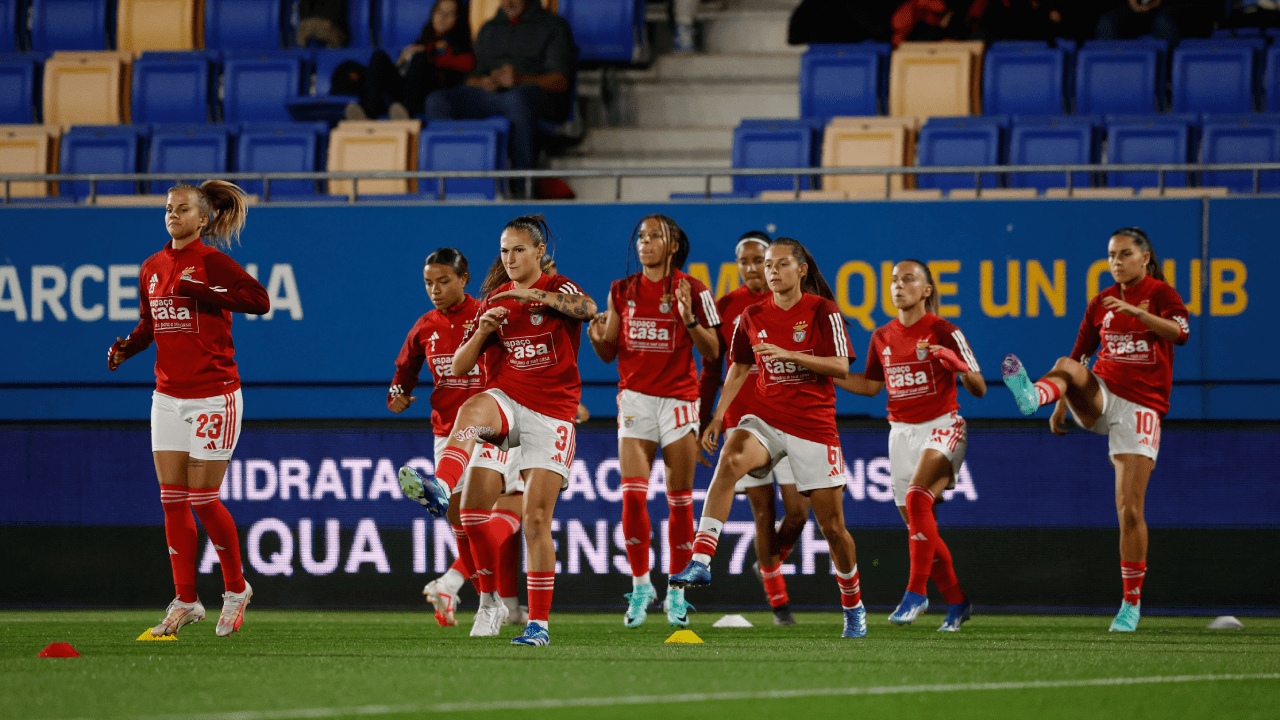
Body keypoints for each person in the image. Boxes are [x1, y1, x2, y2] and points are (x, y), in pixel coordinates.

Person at [398, 215, 596, 647]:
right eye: (505, 250)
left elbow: (589, 310)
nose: (510, 258)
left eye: (519, 249)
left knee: (537, 522)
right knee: (470, 493)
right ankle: (442, 488)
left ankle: (538, 625)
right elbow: (462, 367)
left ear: (540, 251)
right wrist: (483, 331)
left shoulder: (558, 288)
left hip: (552, 414)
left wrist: (535, 295)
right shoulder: (495, 301)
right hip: (507, 400)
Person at [671, 238, 868, 639]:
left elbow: (842, 366)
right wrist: (718, 416)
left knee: (832, 529)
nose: (771, 271)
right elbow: (739, 367)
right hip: (765, 416)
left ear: (802, 270)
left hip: (813, 426)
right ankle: (702, 558)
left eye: (780, 264)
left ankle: (853, 604)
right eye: (768, 265)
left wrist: (791, 355)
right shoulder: (751, 314)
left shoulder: (822, 311)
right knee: (731, 458)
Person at [1002, 227, 1189, 632]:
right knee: (1066, 366)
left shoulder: (1161, 294)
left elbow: (1181, 333)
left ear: (1145, 258)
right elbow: (1078, 355)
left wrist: (1141, 314)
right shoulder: (1100, 302)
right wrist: (1060, 404)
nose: (1116, 262)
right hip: (1101, 393)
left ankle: (1130, 604)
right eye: (1110, 255)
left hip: (1141, 407)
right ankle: (1034, 397)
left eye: (1124, 254)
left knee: (1129, 509)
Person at [107, 181, 269, 638]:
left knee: (203, 498)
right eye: (168, 209)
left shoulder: (213, 262)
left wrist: (209, 291)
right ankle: (185, 599)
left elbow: (260, 300)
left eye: (182, 210)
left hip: (214, 393)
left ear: (203, 219)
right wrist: (126, 349)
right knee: (172, 501)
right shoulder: (153, 267)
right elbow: (151, 322)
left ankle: (236, 590)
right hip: (167, 397)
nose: (173, 215)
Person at [586, 215, 721, 629]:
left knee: (679, 501)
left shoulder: (694, 289)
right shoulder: (620, 291)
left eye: (654, 236)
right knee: (632, 496)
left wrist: (689, 319)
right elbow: (609, 353)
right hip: (635, 401)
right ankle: (641, 584)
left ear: (674, 245)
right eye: (641, 237)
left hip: (679, 402)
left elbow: (714, 352)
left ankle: (677, 592)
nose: (645, 243)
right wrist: (596, 339)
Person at [836, 260, 985, 632]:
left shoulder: (944, 330)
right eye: (893, 281)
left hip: (943, 426)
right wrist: (826, 374)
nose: (898, 286)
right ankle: (957, 601)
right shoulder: (882, 336)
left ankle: (916, 593)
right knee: (921, 529)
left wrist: (956, 365)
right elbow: (871, 386)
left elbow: (979, 388)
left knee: (918, 498)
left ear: (927, 289)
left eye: (908, 279)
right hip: (900, 433)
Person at [386, 247, 527, 634]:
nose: (435, 289)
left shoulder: (489, 315)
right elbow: (404, 371)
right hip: (445, 433)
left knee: (479, 514)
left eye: (444, 281)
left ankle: (475, 596)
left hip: (489, 427)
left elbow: (523, 359)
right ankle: (490, 600)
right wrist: (397, 394)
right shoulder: (424, 326)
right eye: (429, 282)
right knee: (461, 525)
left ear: (464, 280)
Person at [697, 231, 811, 627]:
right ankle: (779, 604)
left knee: (797, 512)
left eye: (758, 259)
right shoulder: (727, 307)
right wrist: (705, 419)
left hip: (791, 419)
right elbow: (715, 369)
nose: (750, 269)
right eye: (743, 261)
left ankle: (769, 563)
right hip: (744, 423)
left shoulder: (794, 302)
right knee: (763, 514)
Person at [424, 0, 575, 182]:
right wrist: (482, 82)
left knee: (514, 100)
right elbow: (471, 78)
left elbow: (561, 81)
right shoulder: (489, 28)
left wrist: (520, 79)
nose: (509, 3)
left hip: (536, 97)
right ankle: (451, 179)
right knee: (437, 100)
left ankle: (523, 187)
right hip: (491, 95)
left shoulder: (553, 26)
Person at [337, 0, 476, 120]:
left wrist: (431, 58)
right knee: (378, 57)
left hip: (429, 94)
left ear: (458, 18)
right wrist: (401, 61)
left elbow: (468, 64)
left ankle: (405, 112)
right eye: (439, 11)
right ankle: (368, 111)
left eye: (450, 13)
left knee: (419, 59)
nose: (442, 17)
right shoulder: (424, 40)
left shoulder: (459, 45)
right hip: (403, 89)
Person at [1094, 0, 1215, 43]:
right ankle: (1111, 86)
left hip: (1184, 5)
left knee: (1163, 23)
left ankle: (1168, 85)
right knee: (1107, 23)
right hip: (1141, 8)